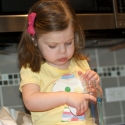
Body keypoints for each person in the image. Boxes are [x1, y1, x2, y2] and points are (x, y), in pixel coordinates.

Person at [18, 0, 102, 125]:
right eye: (53, 46)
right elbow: (30, 101)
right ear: (34, 39)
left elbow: (95, 98)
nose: (62, 51)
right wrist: (66, 97)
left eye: (68, 43)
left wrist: (94, 88)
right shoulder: (32, 69)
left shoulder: (81, 63)